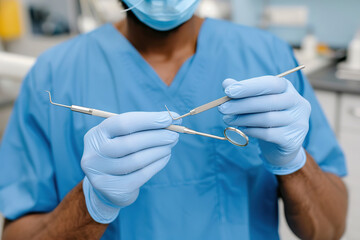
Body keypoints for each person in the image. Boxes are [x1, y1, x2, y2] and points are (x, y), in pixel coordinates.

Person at [0, 0, 348, 239]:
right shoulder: (55, 75)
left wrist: (292, 161)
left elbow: (330, 230)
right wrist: (92, 202)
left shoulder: (266, 56)